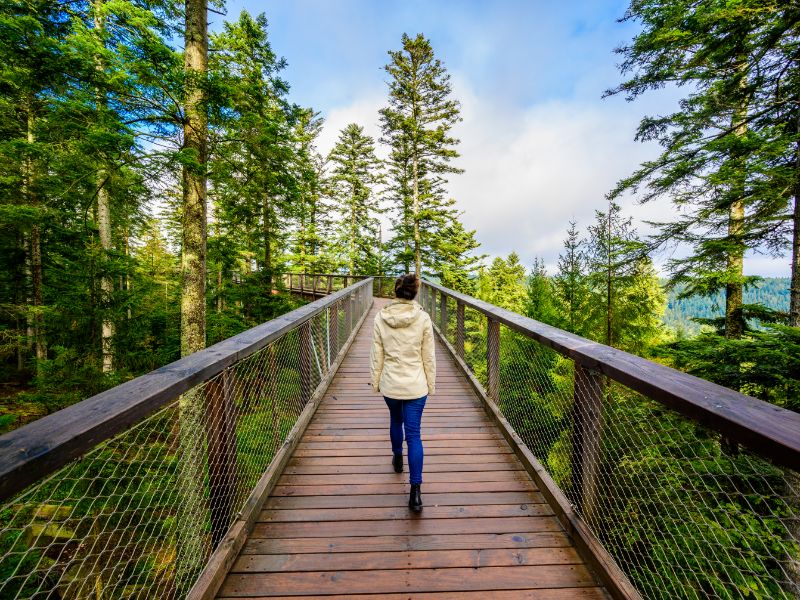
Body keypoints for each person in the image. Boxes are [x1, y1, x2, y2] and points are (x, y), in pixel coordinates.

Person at [369, 274, 436, 512]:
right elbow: (428, 355)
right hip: (416, 385)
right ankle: (415, 493)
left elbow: (377, 354)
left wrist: (376, 382)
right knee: (414, 434)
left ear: (395, 292)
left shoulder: (380, 317)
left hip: (391, 383)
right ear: (415, 293)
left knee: (395, 420)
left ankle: (397, 458)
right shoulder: (423, 318)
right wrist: (431, 383)